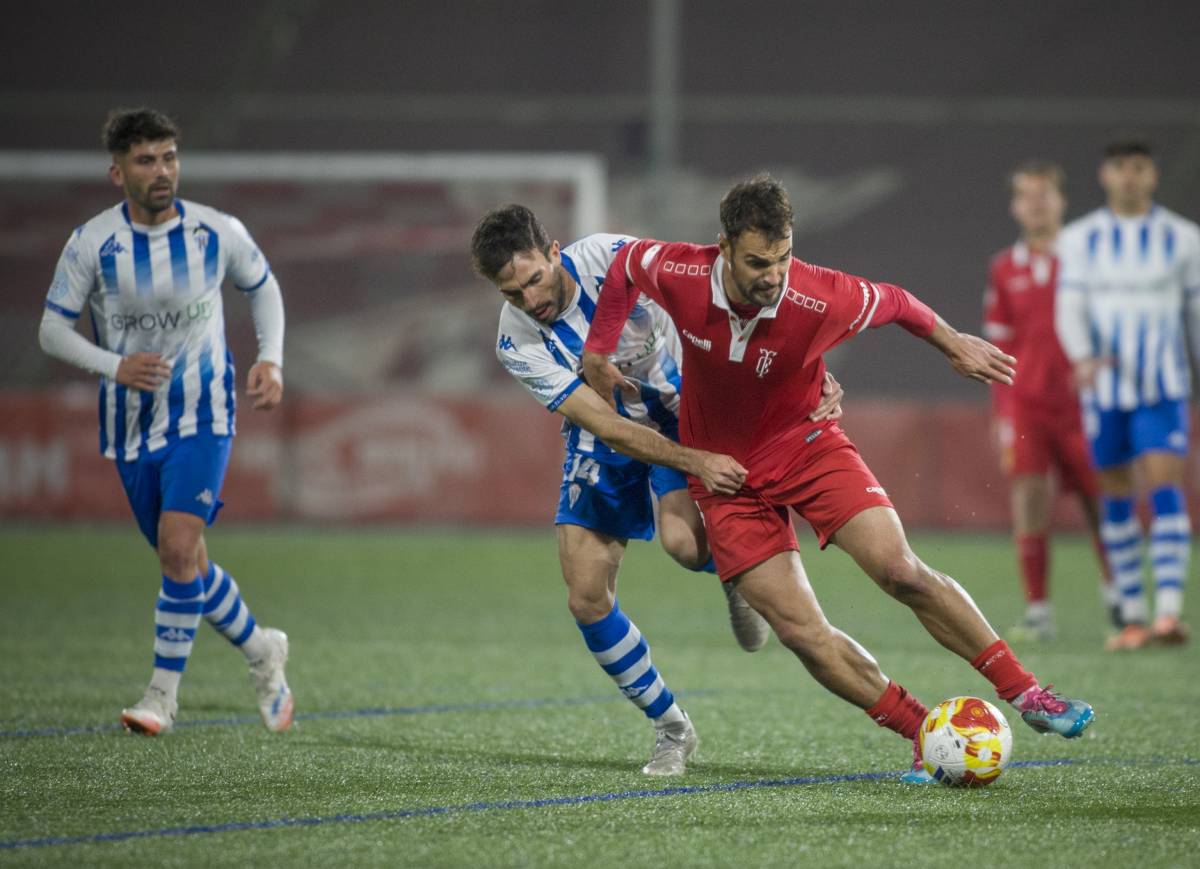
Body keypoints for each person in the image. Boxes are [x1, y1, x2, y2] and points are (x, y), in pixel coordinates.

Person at [582, 175, 1094, 782]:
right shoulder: (680, 272)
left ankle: (1028, 693)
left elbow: (898, 302)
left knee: (900, 570)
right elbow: (622, 267)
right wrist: (597, 348)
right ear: (722, 248)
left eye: (783, 257)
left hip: (807, 447)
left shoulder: (820, 295)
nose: (773, 274)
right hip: (724, 477)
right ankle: (924, 732)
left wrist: (952, 344)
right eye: (756, 262)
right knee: (800, 631)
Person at [471, 205, 843, 775]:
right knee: (586, 595)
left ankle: (734, 570)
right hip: (607, 430)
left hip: (686, 408)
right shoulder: (514, 341)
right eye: (512, 294)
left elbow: (723, 288)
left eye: (534, 281)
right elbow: (607, 425)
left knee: (684, 544)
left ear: (554, 252)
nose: (530, 301)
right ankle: (671, 728)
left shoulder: (615, 257)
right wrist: (695, 462)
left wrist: (803, 366)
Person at [37, 108, 293, 735]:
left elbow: (263, 286)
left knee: (178, 549)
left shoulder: (215, 231)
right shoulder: (93, 242)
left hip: (205, 413)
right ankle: (262, 649)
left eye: (170, 157)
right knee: (187, 565)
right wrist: (114, 366)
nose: (162, 171)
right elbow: (50, 330)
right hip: (129, 424)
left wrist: (270, 359)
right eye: (146, 160)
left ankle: (161, 696)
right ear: (117, 171)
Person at [1055, 140, 1200, 650]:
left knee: (1164, 487)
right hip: (1105, 388)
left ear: (1153, 175)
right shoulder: (1079, 239)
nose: (1130, 176)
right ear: (1105, 174)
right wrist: (1082, 359)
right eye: (1120, 167)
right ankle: (1132, 617)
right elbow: (1068, 307)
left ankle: (1167, 613)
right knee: (1115, 496)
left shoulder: (1183, 239)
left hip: (1162, 385)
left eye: (1139, 167)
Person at [984, 160, 1115, 641]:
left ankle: (1118, 600)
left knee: (1101, 498)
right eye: (1026, 195)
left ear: (1061, 200)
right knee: (1029, 499)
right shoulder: (1004, 267)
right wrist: (1002, 414)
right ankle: (1039, 611)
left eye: (1045, 194)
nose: (1036, 203)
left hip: (1084, 405)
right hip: (1027, 406)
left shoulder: (1088, 259)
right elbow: (996, 348)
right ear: (1016, 204)